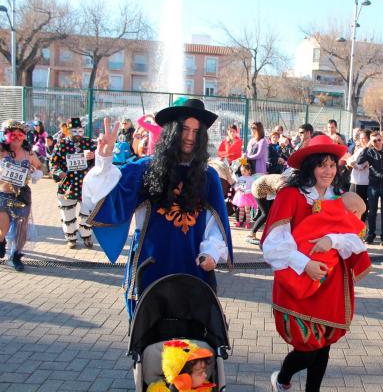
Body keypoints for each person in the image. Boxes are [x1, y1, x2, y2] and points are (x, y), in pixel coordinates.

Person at [82, 99, 233, 317]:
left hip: (193, 272)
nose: (190, 137)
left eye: (196, 132)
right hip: (150, 270)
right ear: (171, 131)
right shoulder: (144, 169)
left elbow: (215, 223)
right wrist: (104, 161)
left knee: (191, 344)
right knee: (150, 343)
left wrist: (211, 252)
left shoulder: (208, 176)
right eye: (184, 129)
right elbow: (105, 199)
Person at [262, 135, 371, 392]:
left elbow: (357, 240)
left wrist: (332, 239)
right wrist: (305, 264)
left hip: (331, 281)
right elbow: (273, 244)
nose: (329, 171)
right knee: (308, 349)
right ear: (310, 166)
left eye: (332, 165)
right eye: (322, 165)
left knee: (324, 347)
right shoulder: (291, 195)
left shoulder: (341, 198)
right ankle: (282, 378)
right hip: (298, 278)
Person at [274, 192, 367, 301]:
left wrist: (332, 239)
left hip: (302, 247)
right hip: (310, 259)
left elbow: (355, 245)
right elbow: (359, 245)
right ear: (354, 212)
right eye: (360, 214)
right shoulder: (352, 222)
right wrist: (305, 264)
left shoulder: (326, 204)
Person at [0, 120, 43, 271]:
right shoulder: (1, 150)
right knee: (2, 228)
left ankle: (14, 256)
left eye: (20, 134)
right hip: (4, 195)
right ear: (6, 135)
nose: (17, 137)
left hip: (22, 196)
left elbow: (39, 166)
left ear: (24, 136)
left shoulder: (28, 152)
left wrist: (35, 173)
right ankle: (1, 242)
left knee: (20, 230)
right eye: (13, 134)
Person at [50, 117, 97, 249]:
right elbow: (53, 162)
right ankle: (71, 238)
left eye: (80, 131)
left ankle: (86, 236)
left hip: (86, 185)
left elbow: (102, 158)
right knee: (68, 214)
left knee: (87, 213)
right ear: (68, 131)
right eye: (74, 131)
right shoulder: (61, 144)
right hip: (67, 186)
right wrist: (59, 172)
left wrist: (94, 156)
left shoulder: (89, 143)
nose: (77, 134)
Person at [358, 131, 383, 246]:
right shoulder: (369, 151)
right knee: (372, 212)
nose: (377, 142)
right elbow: (359, 161)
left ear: (382, 139)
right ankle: (371, 235)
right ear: (371, 142)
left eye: (379, 140)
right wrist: (367, 147)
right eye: (374, 141)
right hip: (373, 186)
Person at [146, 339, 216, 392]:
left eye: (204, 371)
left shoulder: (206, 389)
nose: (206, 375)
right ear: (183, 378)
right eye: (200, 373)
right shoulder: (160, 390)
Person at [246, 173, 285, 245]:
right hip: (258, 188)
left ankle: (269, 234)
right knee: (265, 213)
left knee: (269, 212)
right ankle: (251, 234)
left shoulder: (287, 181)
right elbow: (279, 192)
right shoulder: (283, 185)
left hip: (267, 188)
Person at [347, 129, 370, 221]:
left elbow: (364, 163)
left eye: (364, 138)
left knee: (362, 206)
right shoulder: (359, 149)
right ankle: (351, 226)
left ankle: (361, 227)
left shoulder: (370, 150)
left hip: (364, 182)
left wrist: (357, 165)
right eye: (360, 138)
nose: (362, 140)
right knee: (351, 204)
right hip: (354, 181)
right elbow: (349, 160)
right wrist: (353, 164)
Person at [232, 163, 257, 229]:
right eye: (241, 171)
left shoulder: (252, 179)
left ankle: (248, 222)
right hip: (240, 196)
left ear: (249, 171)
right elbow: (236, 185)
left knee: (247, 210)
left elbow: (252, 188)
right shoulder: (240, 178)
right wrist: (237, 188)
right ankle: (240, 221)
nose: (243, 172)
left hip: (248, 196)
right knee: (241, 210)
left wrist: (246, 191)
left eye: (244, 171)